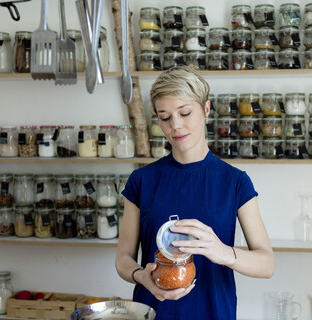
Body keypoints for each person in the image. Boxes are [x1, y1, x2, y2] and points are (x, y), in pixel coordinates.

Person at [116, 66, 275, 320]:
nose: (175, 126)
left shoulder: (235, 182)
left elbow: (267, 264)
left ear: (206, 109)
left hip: (214, 313)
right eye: (165, 117)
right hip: (153, 312)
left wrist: (223, 252)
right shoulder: (141, 180)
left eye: (185, 113)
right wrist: (140, 276)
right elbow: (123, 258)